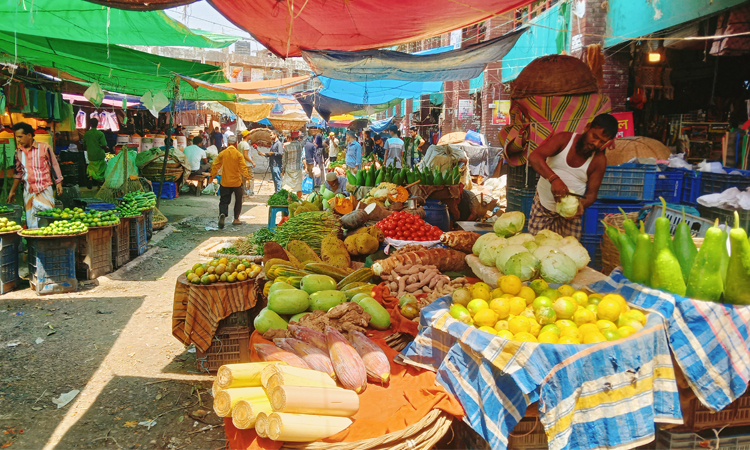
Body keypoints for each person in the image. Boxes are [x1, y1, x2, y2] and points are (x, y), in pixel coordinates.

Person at [528, 113, 618, 239]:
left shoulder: (599, 160)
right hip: (543, 207)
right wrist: (554, 179)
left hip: (570, 216)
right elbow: (534, 157)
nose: (596, 144)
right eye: (594, 136)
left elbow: (591, 194)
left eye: (602, 142)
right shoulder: (564, 139)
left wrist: (581, 205)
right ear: (587, 127)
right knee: (536, 249)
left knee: (567, 254)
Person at [7, 122, 64, 229]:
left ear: (29, 135)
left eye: (20, 136)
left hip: (44, 189)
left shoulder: (44, 147)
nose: (18, 140)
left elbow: (54, 165)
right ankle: (34, 241)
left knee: (47, 217)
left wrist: (59, 182)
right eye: (17, 137)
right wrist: (12, 191)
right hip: (28, 191)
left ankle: (48, 241)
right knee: (31, 219)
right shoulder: (18, 152)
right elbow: (18, 173)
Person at [209, 135, 249, 229]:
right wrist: (247, 178)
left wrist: (212, 176)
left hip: (225, 181)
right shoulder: (239, 154)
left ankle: (222, 213)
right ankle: (236, 219)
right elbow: (243, 167)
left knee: (224, 200)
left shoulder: (223, 153)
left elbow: (215, 165)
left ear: (228, 143)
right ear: (236, 144)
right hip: (236, 182)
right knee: (238, 200)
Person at [83, 118, 108, 182]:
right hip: (99, 154)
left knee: (92, 168)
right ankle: (98, 184)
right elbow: (104, 145)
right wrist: (106, 148)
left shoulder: (86, 134)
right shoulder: (100, 134)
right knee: (100, 170)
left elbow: (84, 144)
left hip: (91, 155)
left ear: (90, 124)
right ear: (97, 124)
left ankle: (91, 177)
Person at [238, 130, 257, 196]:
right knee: (251, 178)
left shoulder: (240, 144)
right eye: (250, 134)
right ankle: (251, 191)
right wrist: (252, 162)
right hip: (247, 164)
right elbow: (245, 156)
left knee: (243, 179)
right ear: (247, 136)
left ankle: (243, 191)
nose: (251, 136)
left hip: (242, 164)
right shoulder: (246, 144)